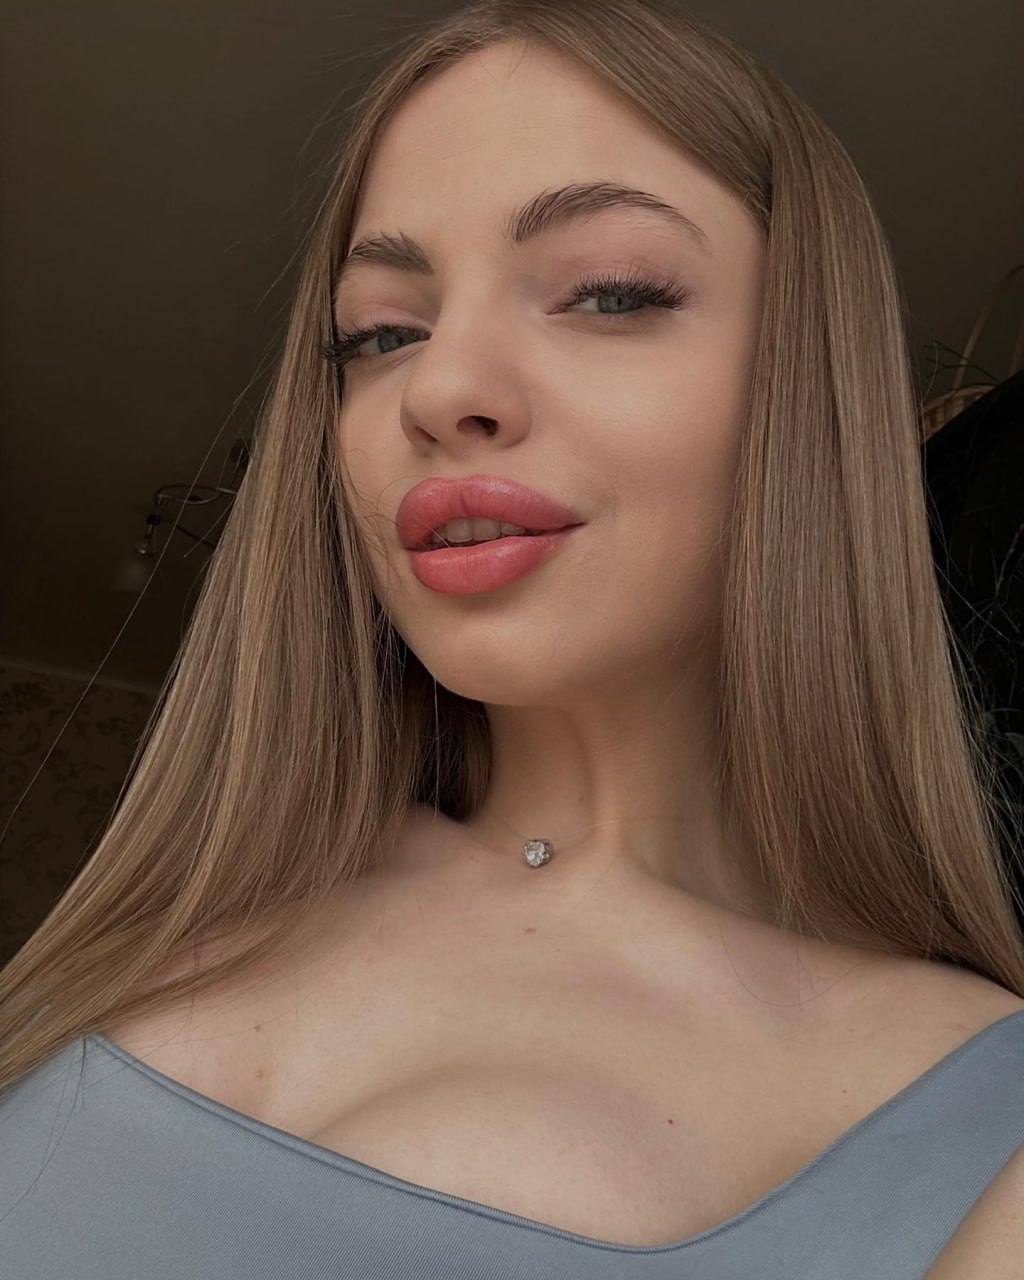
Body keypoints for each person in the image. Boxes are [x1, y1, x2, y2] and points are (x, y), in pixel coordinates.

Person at [2, 1, 1023, 1275]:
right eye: (382, 333)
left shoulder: (979, 1122)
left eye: (609, 292)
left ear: (811, 388)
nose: (437, 390)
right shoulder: (177, 893)